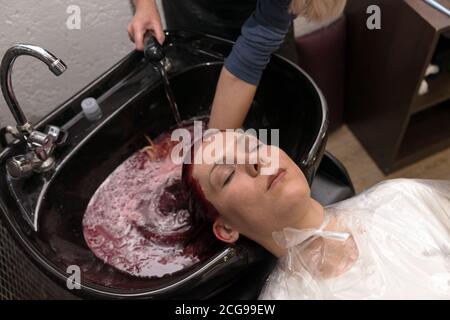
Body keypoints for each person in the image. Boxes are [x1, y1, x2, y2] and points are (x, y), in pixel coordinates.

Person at [182, 130, 450, 299]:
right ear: (227, 229)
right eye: (227, 174)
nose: (255, 161)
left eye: (253, 146)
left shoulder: (402, 199)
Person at [128, 0, 347, 129]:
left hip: (260, 25)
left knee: (277, 121)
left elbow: (247, 64)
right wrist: (144, 5)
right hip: (190, 15)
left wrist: (212, 153)